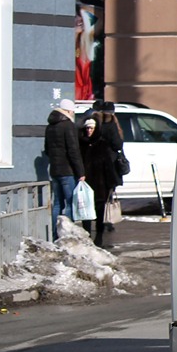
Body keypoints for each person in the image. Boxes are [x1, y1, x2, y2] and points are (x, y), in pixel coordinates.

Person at [78, 106, 123, 247]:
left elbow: (108, 165)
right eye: (87, 129)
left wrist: (112, 183)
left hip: (100, 184)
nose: (89, 131)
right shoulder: (82, 144)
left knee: (99, 211)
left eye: (91, 128)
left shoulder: (102, 144)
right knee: (86, 212)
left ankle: (99, 237)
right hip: (86, 183)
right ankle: (87, 236)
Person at [44, 98, 85, 239]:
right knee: (70, 203)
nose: (73, 114)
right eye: (73, 111)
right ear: (68, 111)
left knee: (57, 204)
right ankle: (67, 236)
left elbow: (47, 150)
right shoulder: (68, 126)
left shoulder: (50, 126)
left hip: (54, 170)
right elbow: (74, 151)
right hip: (67, 171)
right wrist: (80, 172)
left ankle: (54, 234)